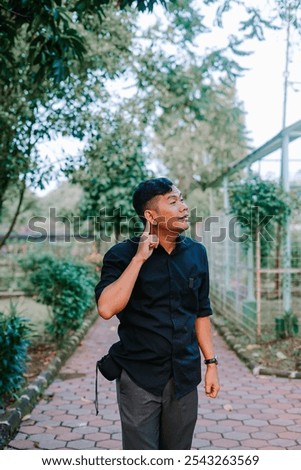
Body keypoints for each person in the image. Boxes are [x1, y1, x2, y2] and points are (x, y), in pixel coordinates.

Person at [95, 177, 220, 450]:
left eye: (182, 200)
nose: (184, 207)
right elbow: (106, 308)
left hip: (185, 377)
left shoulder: (197, 253)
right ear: (151, 215)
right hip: (139, 377)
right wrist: (140, 258)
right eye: (173, 202)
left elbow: (201, 312)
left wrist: (211, 364)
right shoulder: (121, 255)